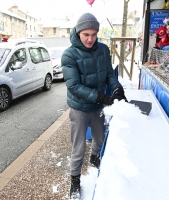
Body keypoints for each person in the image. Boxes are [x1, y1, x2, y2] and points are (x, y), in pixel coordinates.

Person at [61, 13, 127, 199]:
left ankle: (95, 158)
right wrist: (103, 98)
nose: (90, 39)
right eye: (86, 35)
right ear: (78, 32)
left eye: (94, 34)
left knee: (99, 138)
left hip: (98, 107)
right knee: (78, 147)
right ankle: (74, 181)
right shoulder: (69, 55)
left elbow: (109, 75)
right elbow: (73, 86)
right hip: (80, 109)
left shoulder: (103, 50)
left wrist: (117, 90)